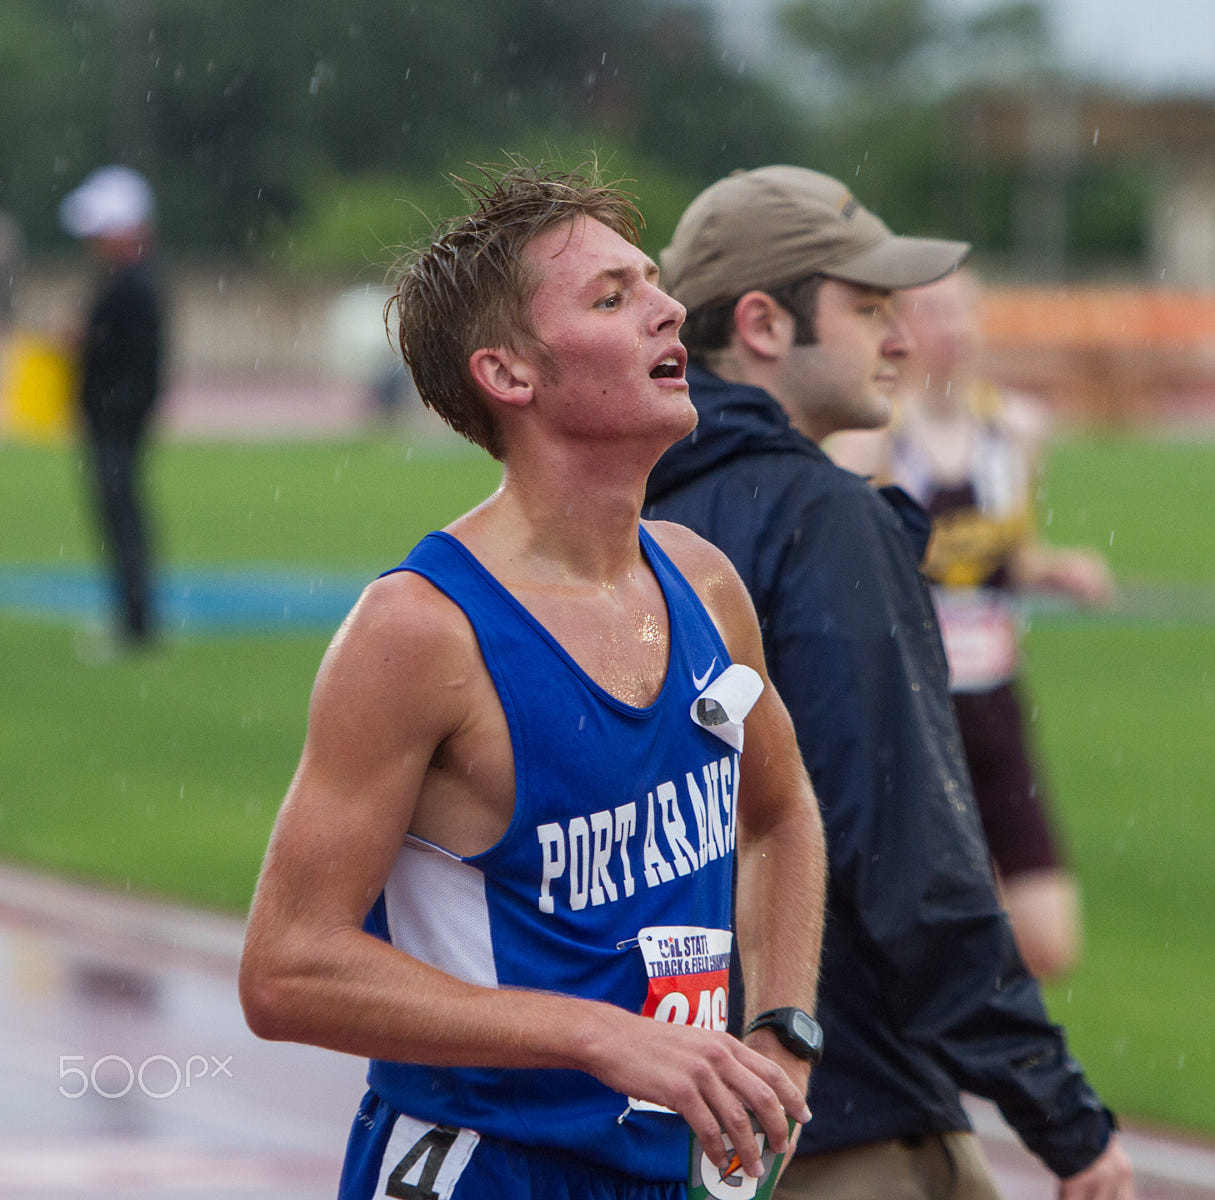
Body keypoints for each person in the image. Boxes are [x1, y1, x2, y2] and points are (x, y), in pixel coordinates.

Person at [238, 163, 828, 1199]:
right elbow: (287, 969)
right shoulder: (420, 631)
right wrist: (598, 1037)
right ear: (509, 374)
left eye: (652, 282)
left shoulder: (705, 584)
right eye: (613, 297)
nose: (667, 309)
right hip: (484, 1168)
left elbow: (778, 818)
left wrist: (782, 1027)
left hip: (669, 1175)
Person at [644, 166, 1133, 1199]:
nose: (900, 340)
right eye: (869, 310)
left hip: (651, 1106)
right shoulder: (827, 522)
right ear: (766, 325)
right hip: (838, 1102)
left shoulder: (612, 514)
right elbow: (909, 860)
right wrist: (1063, 1116)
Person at [882, 269, 1114, 981]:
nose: (951, 327)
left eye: (962, 311)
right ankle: (943, 1078)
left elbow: (1010, 556)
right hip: (911, 712)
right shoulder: (872, 439)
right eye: (932, 311)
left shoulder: (1015, 430)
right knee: (928, 935)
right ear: (896, 326)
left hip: (996, 702)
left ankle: (965, 1062)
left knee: (1046, 940)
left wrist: (1059, 568)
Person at [58, 166, 165, 648]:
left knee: (120, 513)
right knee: (120, 511)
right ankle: (133, 614)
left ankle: (135, 620)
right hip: (118, 414)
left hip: (117, 417)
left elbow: (124, 354)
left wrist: (82, 342)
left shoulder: (131, 285)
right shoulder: (132, 280)